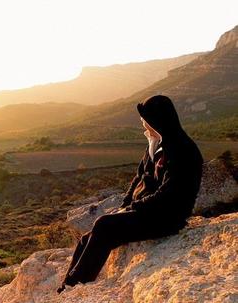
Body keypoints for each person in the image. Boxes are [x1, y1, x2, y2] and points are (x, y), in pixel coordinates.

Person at [57, 95, 203, 294]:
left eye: (145, 119)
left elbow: (169, 195)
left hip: (166, 217)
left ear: (157, 120)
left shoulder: (182, 150)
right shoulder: (156, 143)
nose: (142, 123)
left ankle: (76, 284)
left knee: (103, 225)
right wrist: (125, 204)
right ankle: (68, 285)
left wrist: (134, 207)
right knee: (86, 238)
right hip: (147, 211)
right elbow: (139, 177)